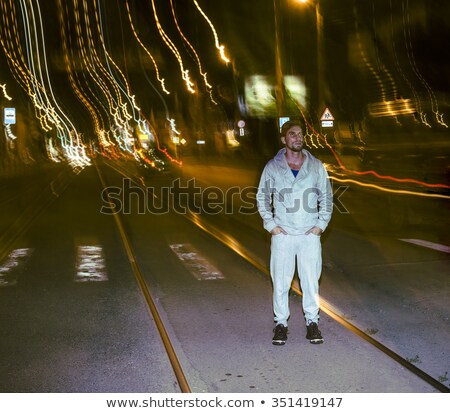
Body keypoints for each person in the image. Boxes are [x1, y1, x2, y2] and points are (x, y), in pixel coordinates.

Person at [256, 119, 333, 345]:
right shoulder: (272, 167)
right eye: (292, 134)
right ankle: (281, 324)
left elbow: (326, 197)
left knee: (311, 282)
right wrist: (272, 226)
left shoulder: (316, 166)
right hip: (284, 235)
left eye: (300, 134)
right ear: (284, 139)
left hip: (309, 234)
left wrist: (320, 225)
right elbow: (262, 197)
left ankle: (312, 323)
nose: (298, 137)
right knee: (280, 282)